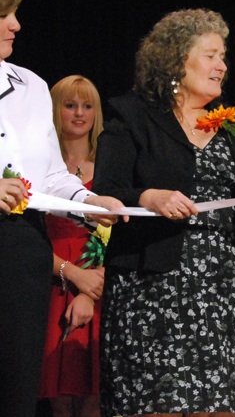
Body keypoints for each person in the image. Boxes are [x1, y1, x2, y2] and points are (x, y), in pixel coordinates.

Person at [92, 8, 235, 417]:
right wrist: (149, 197)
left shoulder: (232, 125)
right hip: (153, 286)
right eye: (211, 55)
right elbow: (105, 190)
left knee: (222, 405)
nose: (222, 66)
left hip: (225, 287)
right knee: (156, 403)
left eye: (223, 56)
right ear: (177, 58)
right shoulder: (132, 115)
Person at [0, 0, 123, 417]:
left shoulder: (29, 87)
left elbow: (51, 174)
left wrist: (89, 202)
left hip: (18, 246)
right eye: (6, 15)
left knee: (16, 384)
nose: (16, 25)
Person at [39, 75, 107, 417]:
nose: (79, 113)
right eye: (69, 105)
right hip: (50, 283)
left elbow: (123, 235)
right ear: (54, 111)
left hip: (100, 287)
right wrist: (70, 274)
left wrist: (89, 288)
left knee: (94, 395)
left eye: (87, 105)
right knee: (58, 397)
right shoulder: (35, 169)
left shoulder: (110, 168)